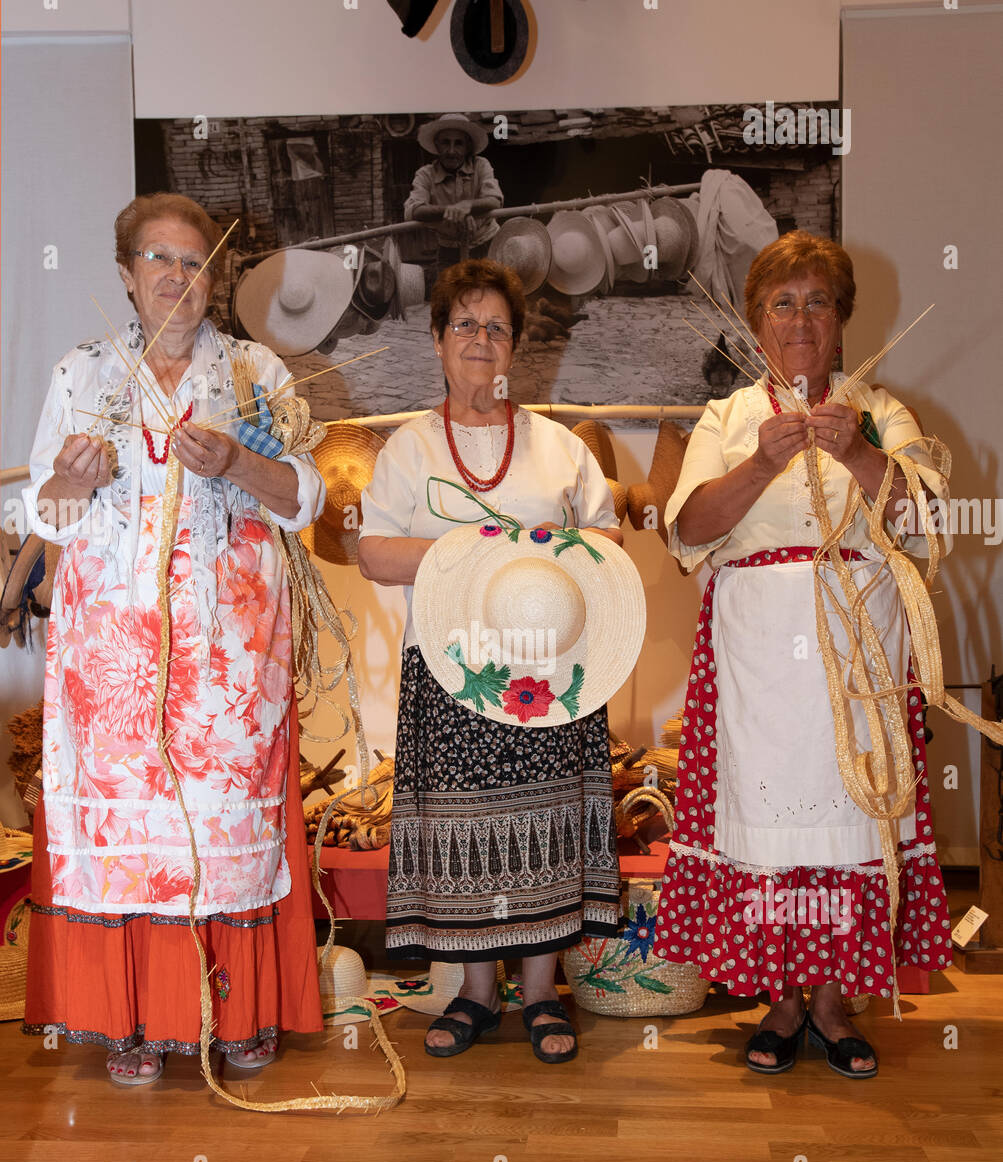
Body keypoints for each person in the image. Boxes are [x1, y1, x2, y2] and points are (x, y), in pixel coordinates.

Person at [22, 193, 326, 1085]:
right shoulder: (83, 373)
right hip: (112, 659)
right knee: (134, 840)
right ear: (125, 275)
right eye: (158, 259)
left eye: (194, 263)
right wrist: (70, 483)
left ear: (214, 276)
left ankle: (234, 1016)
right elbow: (46, 514)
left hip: (226, 655)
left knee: (226, 829)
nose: (176, 278)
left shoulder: (255, 373)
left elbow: (305, 502)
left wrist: (239, 461)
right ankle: (134, 1022)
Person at [654, 231, 953, 1078]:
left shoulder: (880, 412)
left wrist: (856, 452)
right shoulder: (726, 419)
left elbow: (924, 518)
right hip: (754, 659)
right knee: (768, 821)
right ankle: (781, 1001)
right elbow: (687, 528)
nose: (799, 319)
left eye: (816, 301)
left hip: (857, 644)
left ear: (841, 319)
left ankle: (832, 1001)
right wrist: (758, 465)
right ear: (755, 323)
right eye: (781, 303)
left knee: (849, 813)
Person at [358, 258, 621, 1063]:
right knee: (465, 832)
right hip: (450, 671)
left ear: (516, 348)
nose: (480, 339)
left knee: (543, 825)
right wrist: (476, 548)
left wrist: (538, 558)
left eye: (496, 326)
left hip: (549, 666)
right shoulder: (409, 448)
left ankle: (540, 995)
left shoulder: (556, 446)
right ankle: (475, 994)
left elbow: (605, 540)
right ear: (436, 340)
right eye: (464, 324)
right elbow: (371, 552)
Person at [404, 114, 503, 283]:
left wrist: (468, 205)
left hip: (487, 244)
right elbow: (413, 210)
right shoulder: (425, 174)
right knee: (447, 301)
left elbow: (495, 200)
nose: (451, 151)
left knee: (492, 296)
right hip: (449, 249)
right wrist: (451, 211)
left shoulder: (481, 165)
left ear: (467, 147)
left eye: (458, 143)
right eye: (445, 143)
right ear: (437, 145)